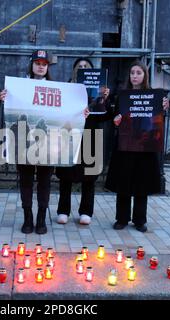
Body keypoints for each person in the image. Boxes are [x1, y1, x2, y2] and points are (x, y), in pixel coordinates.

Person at [105, 60, 169, 233]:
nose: (135, 76)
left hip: (145, 145)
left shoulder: (153, 96)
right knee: (123, 181)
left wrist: (164, 107)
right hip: (126, 144)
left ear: (144, 75)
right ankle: (122, 218)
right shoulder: (122, 96)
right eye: (132, 72)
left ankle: (140, 220)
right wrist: (116, 121)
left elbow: (158, 118)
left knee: (142, 182)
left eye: (138, 73)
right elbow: (116, 118)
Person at [0, 50, 55, 235]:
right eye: (37, 62)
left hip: (45, 141)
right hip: (24, 140)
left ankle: (41, 217)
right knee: (26, 180)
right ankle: (27, 217)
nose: (40, 66)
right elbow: (10, 107)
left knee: (45, 180)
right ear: (31, 65)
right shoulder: (18, 86)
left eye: (44, 63)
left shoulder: (56, 88)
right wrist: (4, 99)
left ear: (47, 67)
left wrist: (81, 112)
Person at [55, 58, 111, 225]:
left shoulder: (101, 91)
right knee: (66, 174)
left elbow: (106, 116)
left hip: (91, 134)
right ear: (74, 71)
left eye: (86, 67)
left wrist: (104, 100)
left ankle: (86, 211)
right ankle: (63, 210)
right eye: (79, 67)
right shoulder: (65, 89)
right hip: (70, 134)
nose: (83, 68)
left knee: (90, 175)